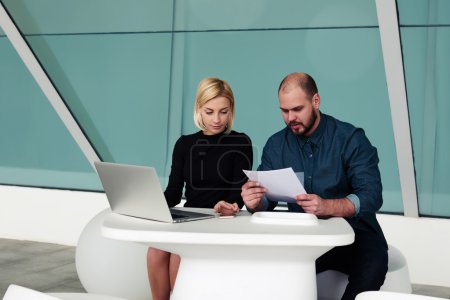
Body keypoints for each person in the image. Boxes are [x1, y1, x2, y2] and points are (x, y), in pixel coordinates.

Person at [241, 72, 388, 300]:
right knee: (266, 269)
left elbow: (371, 195)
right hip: (303, 240)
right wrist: (254, 201)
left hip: (356, 237)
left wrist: (328, 206)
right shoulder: (275, 145)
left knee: (373, 265)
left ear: (316, 101)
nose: (290, 118)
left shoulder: (350, 138)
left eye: (297, 109)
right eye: (284, 111)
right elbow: (266, 201)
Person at [147, 77, 253, 300]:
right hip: (189, 217)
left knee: (177, 255)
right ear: (198, 109)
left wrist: (231, 205)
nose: (216, 119)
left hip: (220, 219)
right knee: (155, 251)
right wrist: (149, 202)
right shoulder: (185, 144)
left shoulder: (240, 142)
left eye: (223, 112)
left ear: (231, 110)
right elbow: (174, 193)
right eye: (209, 111)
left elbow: (237, 194)